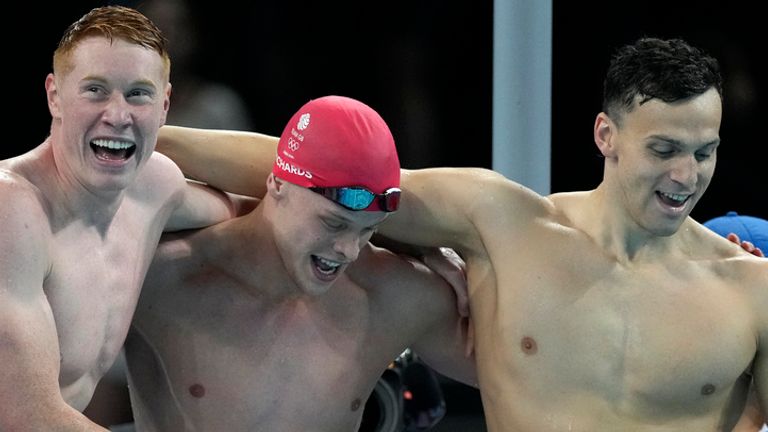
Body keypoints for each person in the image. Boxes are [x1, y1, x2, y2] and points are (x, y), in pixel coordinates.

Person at [154, 37, 767, 430]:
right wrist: (147, 141)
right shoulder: (503, 224)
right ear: (606, 135)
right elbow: (311, 166)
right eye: (664, 149)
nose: (687, 176)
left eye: (705, 152)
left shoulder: (752, 290)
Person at [123, 95, 475, 431]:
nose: (348, 250)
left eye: (368, 230)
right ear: (276, 183)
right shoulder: (162, 277)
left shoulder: (392, 295)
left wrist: (458, 248)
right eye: (334, 223)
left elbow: (521, 371)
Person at [0, 6, 269, 431]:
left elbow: (278, 198)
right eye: (95, 90)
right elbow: (25, 417)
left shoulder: (153, 186)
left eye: (138, 94)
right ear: (54, 96)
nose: (118, 114)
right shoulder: (11, 208)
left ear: (165, 105)